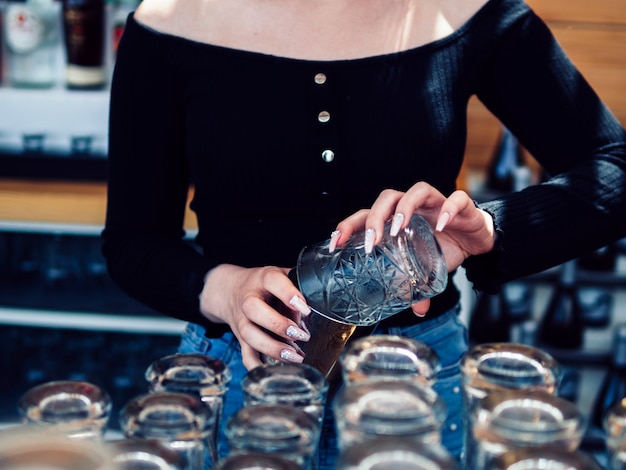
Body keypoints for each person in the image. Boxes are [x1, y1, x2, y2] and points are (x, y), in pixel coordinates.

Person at [102, 0, 626, 466]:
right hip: (238, 379)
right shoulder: (169, 21)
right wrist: (226, 291)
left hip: (414, 384)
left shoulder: (466, 10)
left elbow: (615, 168)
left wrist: (488, 229)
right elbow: (132, 239)